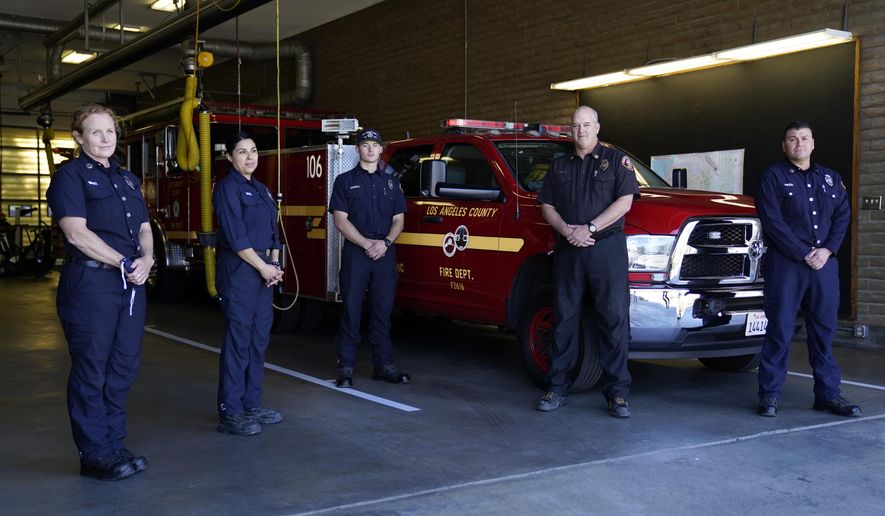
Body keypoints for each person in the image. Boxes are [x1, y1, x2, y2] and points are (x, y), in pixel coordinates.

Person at [46, 103, 153, 480]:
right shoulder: (69, 177)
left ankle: (112, 444)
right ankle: (94, 454)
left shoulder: (127, 180)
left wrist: (147, 259)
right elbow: (76, 233)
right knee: (92, 369)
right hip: (91, 285)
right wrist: (123, 263)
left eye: (110, 131)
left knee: (122, 367)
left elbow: (143, 227)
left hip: (130, 285)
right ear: (79, 137)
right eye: (96, 132)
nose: (106, 138)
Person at [536, 105, 638, 418]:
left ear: (597, 127)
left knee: (613, 320)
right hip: (569, 249)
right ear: (571, 129)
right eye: (576, 125)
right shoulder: (560, 165)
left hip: (605, 249)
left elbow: (625, 201)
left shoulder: (616, 161)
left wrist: (590, 228)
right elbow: (547, 206)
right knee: (565, 318)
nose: (581, 130)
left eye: (587, 125)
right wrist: (567, 230)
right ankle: (557, 388)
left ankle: (617, 394)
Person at [754, 121, 861, 418]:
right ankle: (770, 395)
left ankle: (828, 395)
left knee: (824, 332)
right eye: (792, 139)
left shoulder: (829, 178)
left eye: (804, 138)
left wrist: (826, 251)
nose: (798, 143)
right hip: (787, 265)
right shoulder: (772, 177)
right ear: (784, 146)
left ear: (813, 143)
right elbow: (773, 222)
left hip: (824, 265)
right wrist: (803, 253)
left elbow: (842, 216)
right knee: (780, 329)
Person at [213, 132, 285, 436]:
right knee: (238, 341)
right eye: (242, 152)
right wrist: (263, 267)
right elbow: (236, 238)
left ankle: (252, 403)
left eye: (253, 151)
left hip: (263, 271)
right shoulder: (227, 188)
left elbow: (273, 233)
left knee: (258, 340)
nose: (249, 157)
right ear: (229, 157)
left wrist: (275, 265)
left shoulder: (262, 190)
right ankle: (231, 411)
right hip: (240, 271)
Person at [329, 128, 410, 388]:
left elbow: (399, 220)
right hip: (357, 253)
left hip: (384, 253)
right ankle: (346, 367)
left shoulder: (392, 183)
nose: (371, 149)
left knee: (382, 311)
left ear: (381, 149)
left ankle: (383, 365)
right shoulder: (344, 181)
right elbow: (340, 221)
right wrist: (366, 244)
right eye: (366, 145)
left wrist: (385, 243)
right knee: (351, 309)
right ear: (358, 149)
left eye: (375, 145)